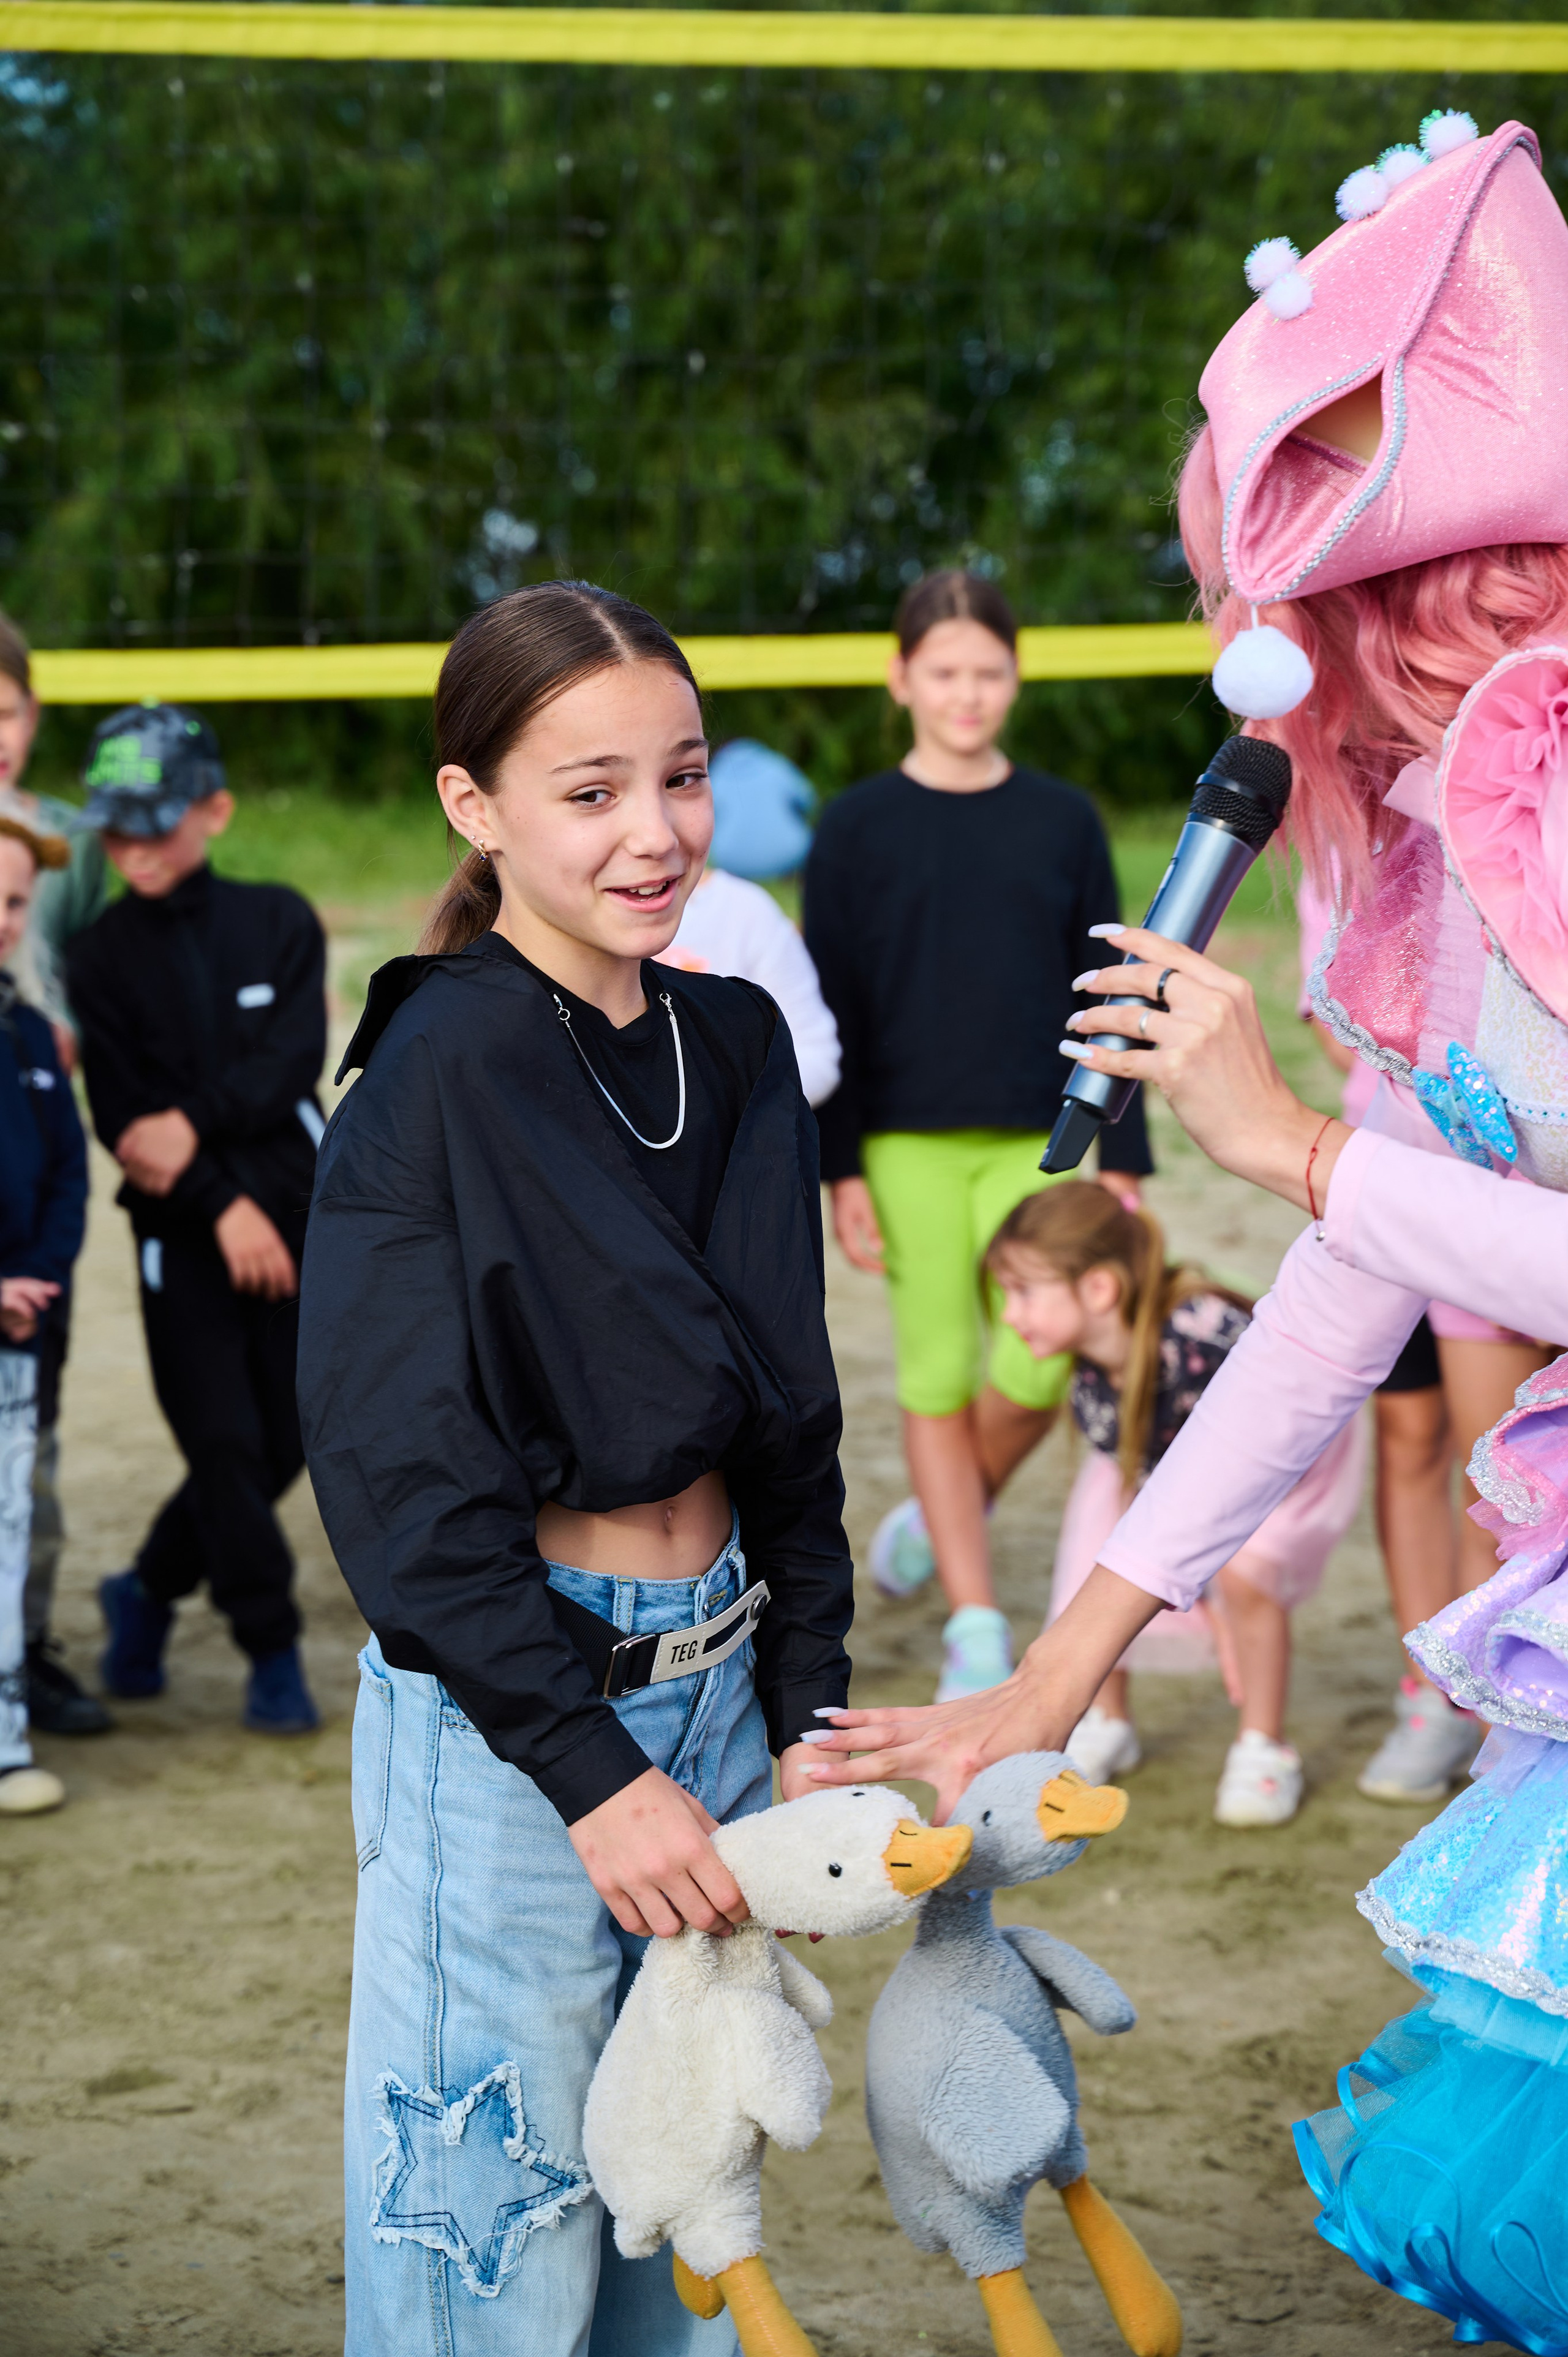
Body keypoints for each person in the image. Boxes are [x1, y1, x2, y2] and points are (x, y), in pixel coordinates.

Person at [802, 111, 1568, 2351]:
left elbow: (1394, 1217)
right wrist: (1040, 1681)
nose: (1225, 626)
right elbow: (1349, 1295)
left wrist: (1293, 1145)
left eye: (1251, 576)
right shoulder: (1425, 847)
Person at [295, 582, 853, 2355]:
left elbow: (793, 1411)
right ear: (480, 809)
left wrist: (808, 1698)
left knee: (673, 2225)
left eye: (681, 778)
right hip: (517, 1731)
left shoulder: (740, 1042)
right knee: (498, 2246)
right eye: (592, 789)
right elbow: (399, 1484)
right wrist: (590, 1769)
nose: (655, 831)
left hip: (722, 1684)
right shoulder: (428, 1072)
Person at [803, 568, 1152, 1703]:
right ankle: (975, 1619)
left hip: (1044, 1137)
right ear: (903, 678)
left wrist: (1128, 1158)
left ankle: (934, 1520)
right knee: (940, 1370)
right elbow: (830, 1006)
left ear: (1016, 676)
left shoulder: (1062, 818)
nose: (967, 693)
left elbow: (1115, 986)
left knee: (1037, 1359)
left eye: (988, 671)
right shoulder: (853, 827)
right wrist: (841, 1164)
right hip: (903, 1143)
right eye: (945, 672)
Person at [66, 704, 327, 1735]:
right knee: (220, 1439)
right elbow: (130, 1126)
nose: (132, 844)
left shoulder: (281, 920)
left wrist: (203, 1134)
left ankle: (145, 1585)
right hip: (182, 1239)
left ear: (213, 809)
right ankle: (269, 1642)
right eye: (115, 825)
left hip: (301, 1220)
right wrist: (219, 1207)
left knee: (288, 1438)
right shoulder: (97, 957)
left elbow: (286, 1071)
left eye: (154, 820)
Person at [989, 1182, 1363, 1824]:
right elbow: (1154, 1478)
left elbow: (1234, 1481)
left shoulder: (1201, 1342)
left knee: (1247, 1576)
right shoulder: (1090, 1378)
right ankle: (1107, 1716)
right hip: (1161, 1465)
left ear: (1099, 1289)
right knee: (1095, 1558)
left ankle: (1263, 1742)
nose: (1008, 1314)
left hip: (1281, 1466)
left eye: (1023, 1291)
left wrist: (1215, 1601)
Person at [1298, 882, 1548, 1802]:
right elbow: (1341, 1017)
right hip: (1410, 1169)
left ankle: (1520, 1699)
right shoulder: (1347, 851)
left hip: (1532, 1173)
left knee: (1524, 1474)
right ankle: (1450, 1695)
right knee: (1443, 1452)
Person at [0, 612, 113, 1738]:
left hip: (31, 1169)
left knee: (30, 1432)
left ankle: (22, 1647)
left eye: (6, 709)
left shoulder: (63, 847)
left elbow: (102, 976)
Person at [0, 809, 88, 1816]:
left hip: (30, 1331)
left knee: (17, 1521)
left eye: (18, 901)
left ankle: (9, 1726)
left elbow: (67, 1172)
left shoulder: (29, 1034)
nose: (3, 916)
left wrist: (35, 1282)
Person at [655, 737, 842, 1106]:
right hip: (786, 859)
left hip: (731, 856)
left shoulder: (744, 912)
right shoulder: (776, 766)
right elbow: (804, 798)